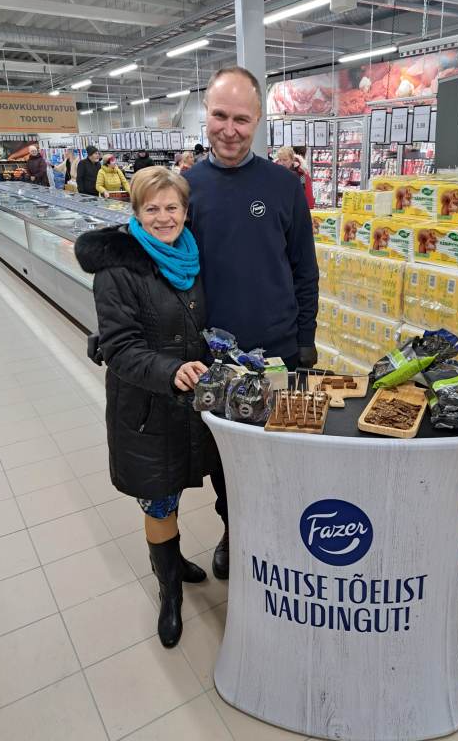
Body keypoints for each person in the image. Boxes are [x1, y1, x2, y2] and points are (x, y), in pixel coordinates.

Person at [74, 166, 223, 649]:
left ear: (185, 211)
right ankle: (169, 591)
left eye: (172, 207)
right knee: (161, 501)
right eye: (152, 208)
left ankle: (175, 561)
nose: (164, 217)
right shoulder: (118, 270)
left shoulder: (191, 256)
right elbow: (119, 347)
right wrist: (170, 370)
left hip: (193, 404)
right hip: (147, 407)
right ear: (136, 212)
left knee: (184, 485)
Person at [183, 65, 319, 579]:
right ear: (206, 114)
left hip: (280, 350)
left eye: (241, 119)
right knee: (227, 459)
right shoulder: (187, 188)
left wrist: (306, 340)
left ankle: (281, 534)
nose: (229, 129)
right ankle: (233, 530)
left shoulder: (283, 185)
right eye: (219, 116)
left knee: (281, 451)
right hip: (215, 358)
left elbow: (305, 270)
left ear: (259, 119)